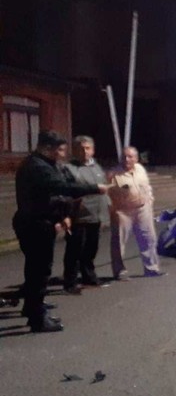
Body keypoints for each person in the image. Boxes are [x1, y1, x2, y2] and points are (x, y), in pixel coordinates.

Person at [13, 131, 108, 332]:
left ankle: (33, 306)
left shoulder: (44, 164)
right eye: (61, 150)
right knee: (40, 270)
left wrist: (61, 214)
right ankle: (37, 319)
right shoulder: (37, 167)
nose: (63, 154)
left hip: (40, 221)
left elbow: (54, 193)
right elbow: (62, 186)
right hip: (35, 224)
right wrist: (95, 188)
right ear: (47, 148)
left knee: (36, 269)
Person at [62, 136, 110, 293]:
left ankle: (89, 277)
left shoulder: (97, 167)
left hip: (96, 215)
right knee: (75, 251)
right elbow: (68, 191)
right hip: (79, 215)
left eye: (87, 148)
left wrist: (107, 208)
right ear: (74, 150)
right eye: (81, 148)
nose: (84, 152)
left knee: (91, 249)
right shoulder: (69, 168)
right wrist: (66, 215)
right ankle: (70, 282)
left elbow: (105, 190)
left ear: (93, 150)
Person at [108, 146, 163, 279]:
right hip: (123, 211)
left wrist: (150, 200)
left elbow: (147, 186)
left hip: (142, 209)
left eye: (130, 157)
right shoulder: (113, 174)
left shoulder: (140, 169)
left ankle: (152, 268)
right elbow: (108, 194)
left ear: (136, 158)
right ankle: (119, 271)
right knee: (119, 242)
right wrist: (113, 211)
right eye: (124, 157)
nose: (127, 159)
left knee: (149, 239)